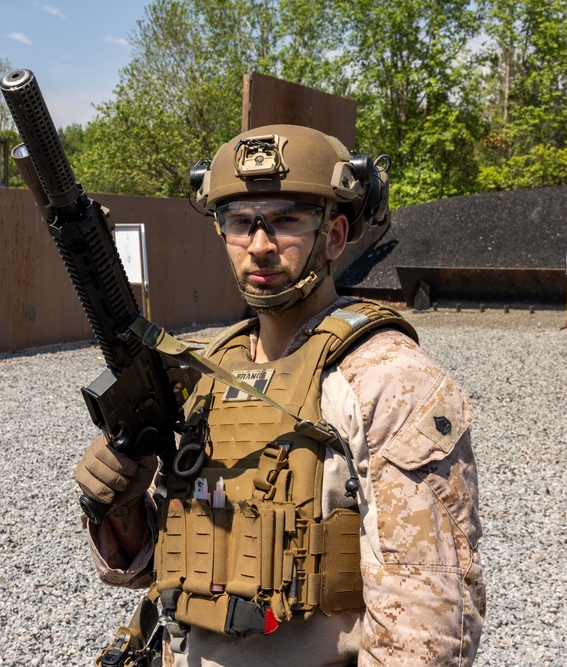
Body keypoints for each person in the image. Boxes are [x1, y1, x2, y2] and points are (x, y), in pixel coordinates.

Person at [75, 125, 485, 666]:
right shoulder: (208, 372)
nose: (260, 245)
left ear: (335, 236)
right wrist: (121, 509)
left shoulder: (386, 378)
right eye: (240, 223)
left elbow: (427, 613)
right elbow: (176, 562)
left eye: (286, 220)